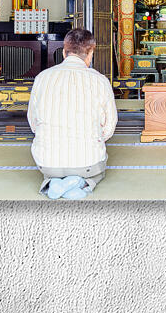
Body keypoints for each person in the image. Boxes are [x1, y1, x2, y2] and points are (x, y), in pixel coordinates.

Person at [26, 28, 117, 200]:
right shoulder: (100, 80)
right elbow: (109, 128)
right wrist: (94, 136)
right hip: (87, 163)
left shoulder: (42, 78)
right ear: (90, 52)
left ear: (63, 52)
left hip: (47, 163)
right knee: (98, 172)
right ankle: (81, 183)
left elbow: (33, 121)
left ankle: (52, 182)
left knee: (52, 167)